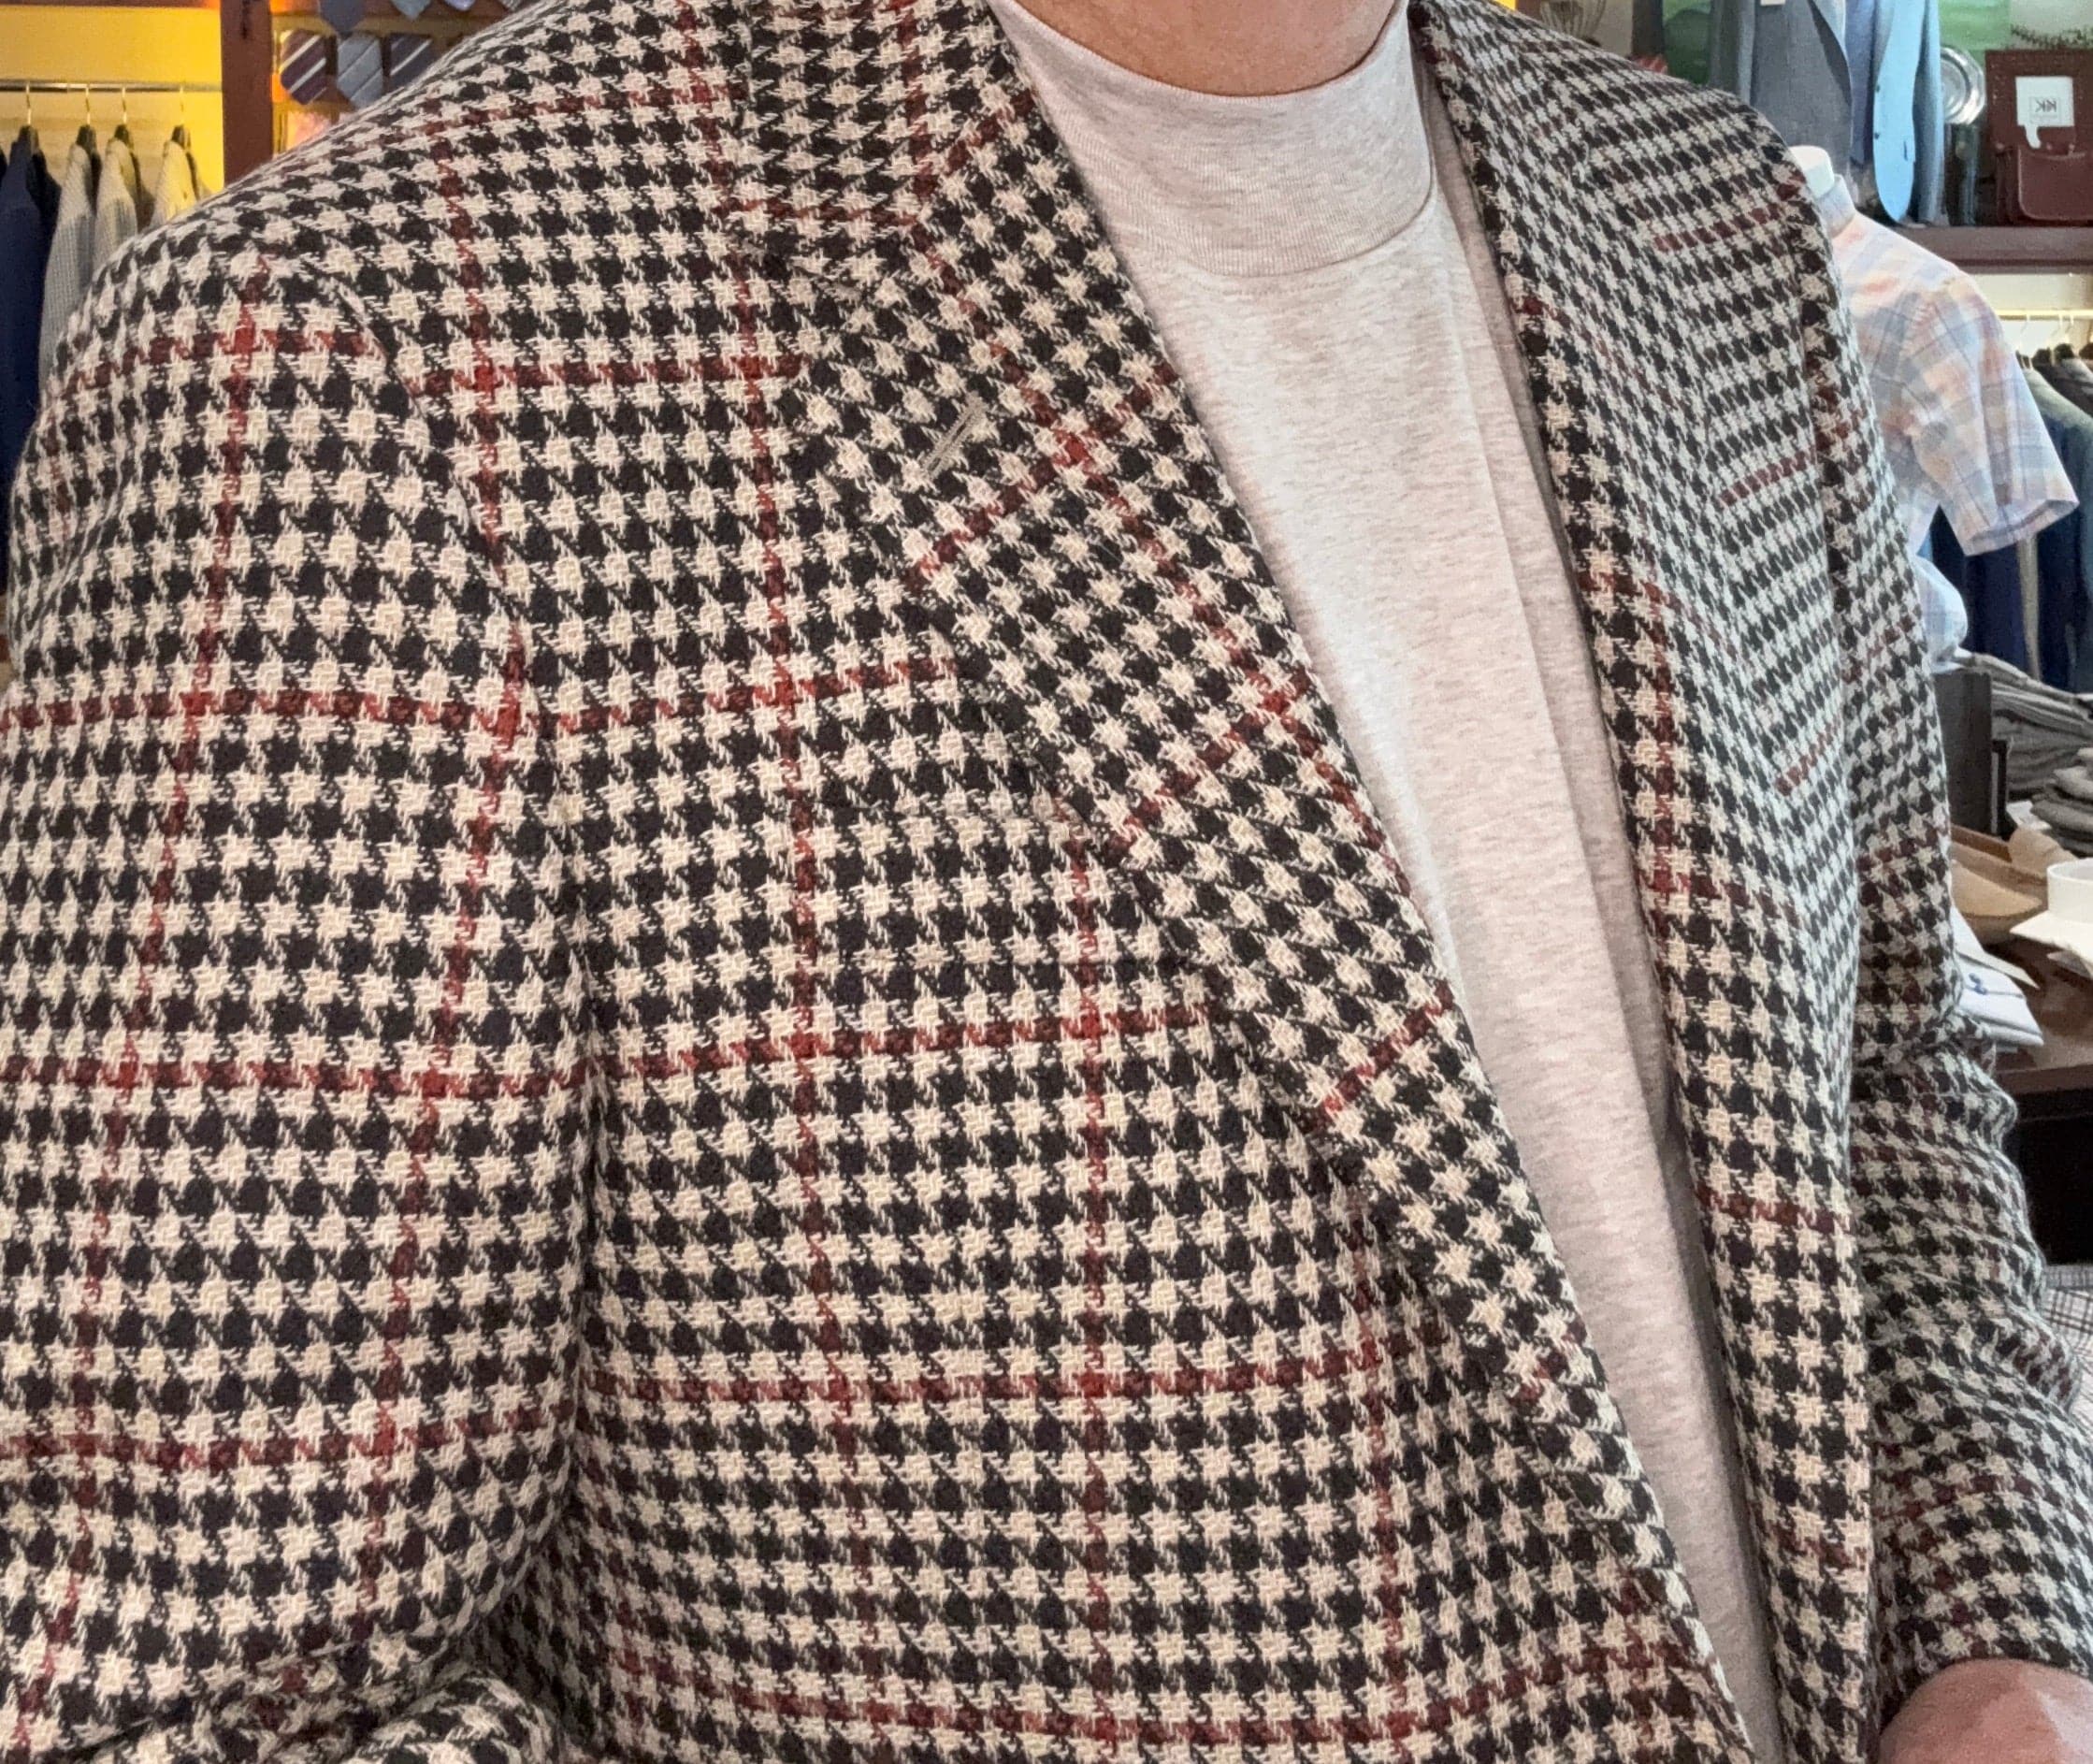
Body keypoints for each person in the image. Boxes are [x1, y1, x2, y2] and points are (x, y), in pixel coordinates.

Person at [1, 0, 2088, 1757]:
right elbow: (193, 1695)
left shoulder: (1713, 224)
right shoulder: (360, 355)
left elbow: (1885, 1078)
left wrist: (1998, 1631)